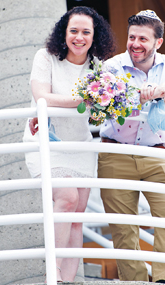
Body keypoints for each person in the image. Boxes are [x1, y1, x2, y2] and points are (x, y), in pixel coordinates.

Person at [98, 10, 165, 285]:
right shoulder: (112, 66)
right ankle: (135, 283)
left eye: (143, 39)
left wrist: (159, 96)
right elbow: (113, 107)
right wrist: (147, 94)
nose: (135, 44)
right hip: (116, 153)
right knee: (123, 229)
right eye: (131, 37)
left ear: (158, 43)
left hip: (157, 152)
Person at [23, 6, 115, 282]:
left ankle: (69, 280)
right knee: (67, 198)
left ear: (94, 36)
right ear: (63, 33)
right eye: (73, 30)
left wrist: (105, 103)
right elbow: (41, 95)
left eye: (86, 32)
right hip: (46, 141)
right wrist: (80, 100)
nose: (79, 37)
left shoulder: (98, 67)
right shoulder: (46, 57)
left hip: (80, 145)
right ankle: (55, 275)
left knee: (77, 216)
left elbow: (101, 110)